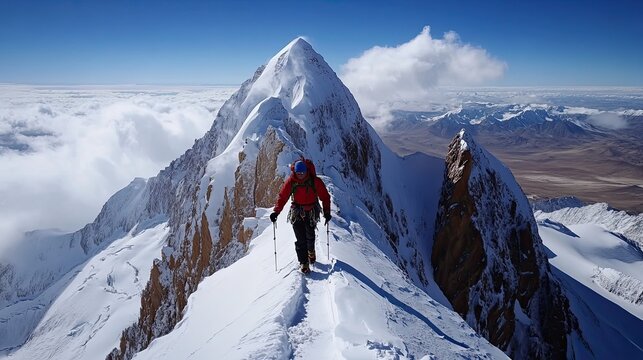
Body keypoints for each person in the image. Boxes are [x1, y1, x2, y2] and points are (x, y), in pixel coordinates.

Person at [270, 159, 331, 274]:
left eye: (302, 173)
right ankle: (304, 263)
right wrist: (276, 212)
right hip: (297, 211)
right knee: (300, 239)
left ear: (306, 171)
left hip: (311, 211)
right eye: (298, 173)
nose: (301, 175)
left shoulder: (314, 181)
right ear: (295, 172)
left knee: (310, 235)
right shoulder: (292, 182)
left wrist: (327, 212)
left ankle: (311, 251)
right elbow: (282, 197)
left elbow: (325, 196)